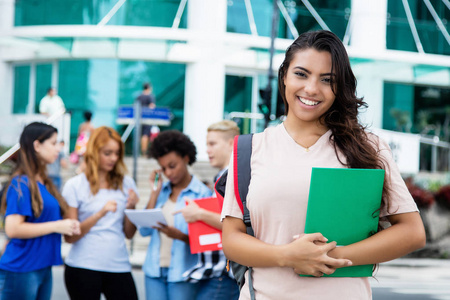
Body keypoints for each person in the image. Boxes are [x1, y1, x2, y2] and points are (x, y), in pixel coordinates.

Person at [221, 30, 426, 300]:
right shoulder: (249, 148)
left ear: (339, 87)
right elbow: (232, 239)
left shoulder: (368, 147)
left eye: (327, 80)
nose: (312, 89)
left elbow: (412, 232)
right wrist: (287, 256)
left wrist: (326, 257)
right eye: (301, 74)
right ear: (284, 76)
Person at [0, 122, 80, 300]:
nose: (58, 149)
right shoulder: (20, 183)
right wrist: (57, 226)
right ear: (37, 145)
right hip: (22, 269)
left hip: (42, 267)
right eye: (53, 143)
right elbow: (13, 229)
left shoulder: (44, 182)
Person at [62, 126, 139, 300]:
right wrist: (100, 213)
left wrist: (131, 207)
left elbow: (129, 233)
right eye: (107, 153)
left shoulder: (127, 183)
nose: (114, 158)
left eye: (117, 153)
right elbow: (70, 237)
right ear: (94, 152)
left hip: (119, 265)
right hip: (83, 266)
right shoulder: (75, 185)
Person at [140, 130, 212, 300]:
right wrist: (153, 193)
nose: (169, 173)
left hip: (183, 274)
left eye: (172, 166)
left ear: (186, 158)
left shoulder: (202, 193)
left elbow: (207, 242)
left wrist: (179, 236)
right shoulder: (161, 193)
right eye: (164, 168)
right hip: (154, 272)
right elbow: (144, 231)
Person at [178, 120, 240, 300]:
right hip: (218, 272)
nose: (207, 150)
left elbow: (235, 224)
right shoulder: (223, 176)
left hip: (223, 273)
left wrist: (198, 214)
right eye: (207, 144)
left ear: (231, 143)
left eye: (212, 143)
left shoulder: (233, 177)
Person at [136, 82, 156, 155]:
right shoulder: (150, 97)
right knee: (145, 135)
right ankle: (144, 151)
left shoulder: (139, 96)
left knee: (140, 135)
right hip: (147, 118)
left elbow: (135, 106)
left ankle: (139, 151)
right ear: (149, 88)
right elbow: (152, 106)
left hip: (139, 118)